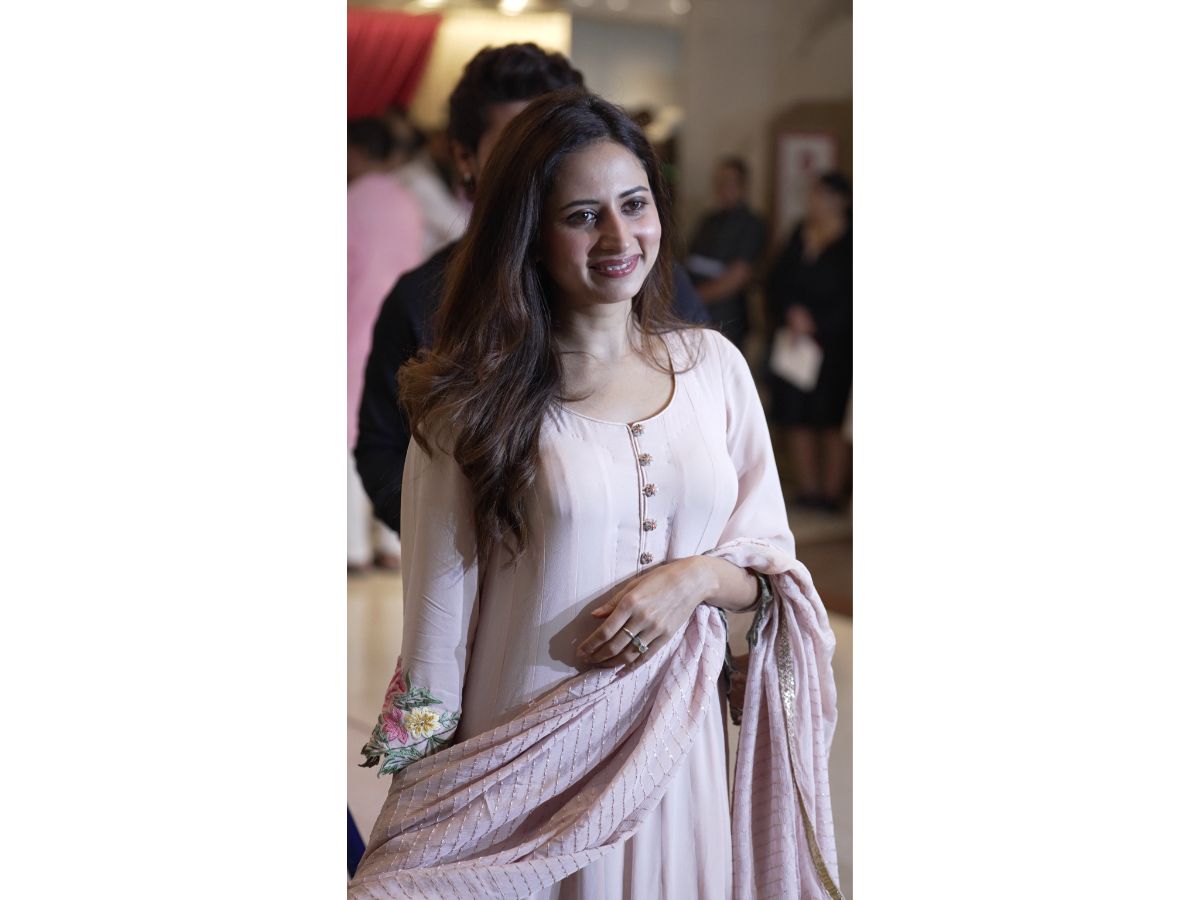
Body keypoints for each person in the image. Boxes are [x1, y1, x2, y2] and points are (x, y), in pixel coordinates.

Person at [349, 90, 841, 900]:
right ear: (530, 234)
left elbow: (770, 570)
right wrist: (421, 814)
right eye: (582, 216)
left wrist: (692, 580)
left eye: (635, 204)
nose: (619, 237)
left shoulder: (714, 370)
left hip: (677, 758)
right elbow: (436, 638)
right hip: (524, 770)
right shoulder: (469, 404)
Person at [354, 43, 709, 535]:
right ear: (465, 158)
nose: (543, 171)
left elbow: (704, 427)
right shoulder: (423, 299)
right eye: (517, 147)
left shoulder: (651, 283)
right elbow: (384, 451)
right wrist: (487, 539)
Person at [347, 117, 423, 570]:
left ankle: (352, 547)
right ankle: (393, 543)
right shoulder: (406, 199)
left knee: (350, 436)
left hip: (352, 325)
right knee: (395, 430)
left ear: (357, 152)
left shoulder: (350, 201)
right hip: (399, 323)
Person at [765, 172, 853, 512]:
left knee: (830, 419)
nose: (813, 202)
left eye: (821, 196)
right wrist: (791, 313)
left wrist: (819, 322)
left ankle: (831, 493)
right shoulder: (799, 232)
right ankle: (808, 489)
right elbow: (777, 280)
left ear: (840, 200)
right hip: (795, 341)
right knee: (796, 414)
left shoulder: (852, 239)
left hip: (836, 345)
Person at [684, 157, 768, 351]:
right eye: (719, 182)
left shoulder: (752, 225)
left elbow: (738, 276)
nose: (722, 188)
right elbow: (690, 260)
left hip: (728, 320)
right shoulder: (708, 221)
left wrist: (693, 297)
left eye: (728, 182)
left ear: (742, 186)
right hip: (696, 318)